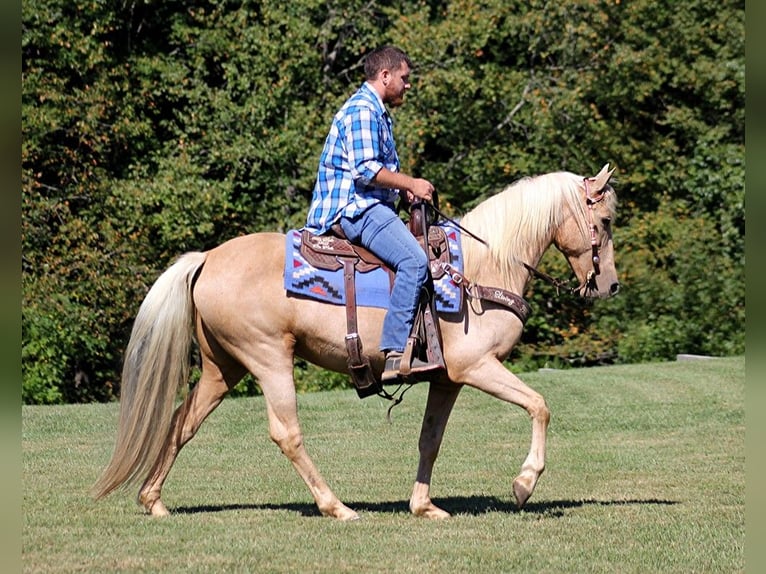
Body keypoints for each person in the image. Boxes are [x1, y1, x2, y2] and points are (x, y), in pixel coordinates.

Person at [304, 45, 442, 382]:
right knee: (414, 261)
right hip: (355, 209)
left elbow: (375, 172)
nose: (408, 85)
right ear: (385, 76)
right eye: (404, 78)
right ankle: (395, 354)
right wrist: (412, 182)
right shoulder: (363, 111)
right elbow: (365, 170)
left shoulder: (375, 111)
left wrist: (402, 190)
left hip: (366, 204)